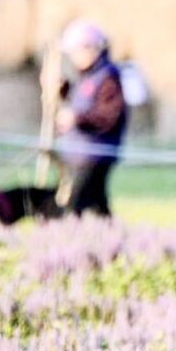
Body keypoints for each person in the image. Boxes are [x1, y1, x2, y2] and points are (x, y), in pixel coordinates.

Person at [44, 19, 127, 217]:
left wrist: (76, 118)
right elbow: (79, 100)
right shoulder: (86, 76)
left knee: (73, 205)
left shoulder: (108, 77)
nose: (73, 57)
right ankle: (113, 239)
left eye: (76, 51)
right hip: (80, 153)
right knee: (98, 206)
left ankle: (69, 241)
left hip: (94, 155)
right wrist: (60, 89)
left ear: (90, 48)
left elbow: (108, 116)